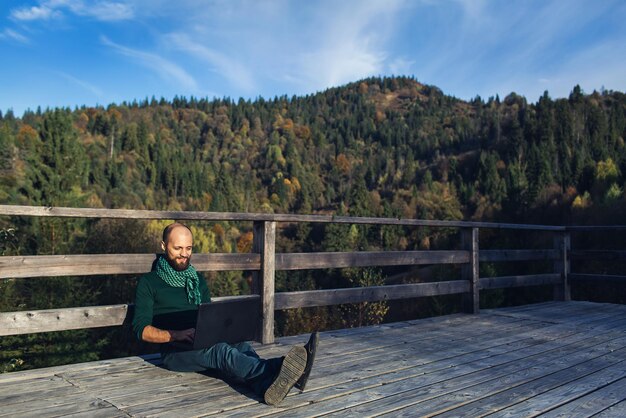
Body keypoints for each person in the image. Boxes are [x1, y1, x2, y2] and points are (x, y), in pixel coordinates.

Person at [132, 222, 318, 406]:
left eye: (188, 248)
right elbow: (141, 330)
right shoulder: (149, 282)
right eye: (177, 248)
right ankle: (280, 367)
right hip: (174, 352)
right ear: (164, 246)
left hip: (202, 341)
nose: (184, 254)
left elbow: (209, 316)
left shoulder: (196, 279)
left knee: (240, 345)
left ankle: (266, 386)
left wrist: (224, 328)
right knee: (221, 353)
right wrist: (176, 335)